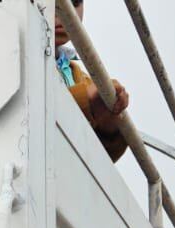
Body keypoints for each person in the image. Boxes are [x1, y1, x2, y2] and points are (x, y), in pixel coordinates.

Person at [55, 0, 130, 162]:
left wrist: (110, 124)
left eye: (75, 2)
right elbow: (30, 113)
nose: (62, 11)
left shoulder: (84, 79)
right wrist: (86, 100)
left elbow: (100, 161)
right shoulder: (1, 51)